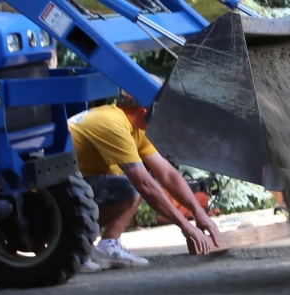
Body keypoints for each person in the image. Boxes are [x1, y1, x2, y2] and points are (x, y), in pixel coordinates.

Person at [67, 74, 221, 273]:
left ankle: (107, 247)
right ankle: (74, 245)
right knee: (134, 184)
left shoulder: (135, 127)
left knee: (133, 183)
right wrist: (186, 227)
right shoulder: (112, 123)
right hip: (55, 197)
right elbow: (145, 184)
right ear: (147, 108)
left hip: (76, 190)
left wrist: (199, 214)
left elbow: (168, 174)